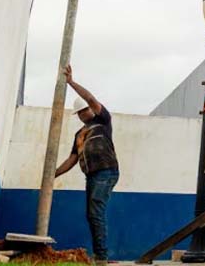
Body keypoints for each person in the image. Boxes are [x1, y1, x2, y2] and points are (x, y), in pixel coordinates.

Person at [54, 65, 120, 265]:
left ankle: (101, 258)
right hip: (91, 176)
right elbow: (72, 159)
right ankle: (100, 255)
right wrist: (52, 174)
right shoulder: (79, 134)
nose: (83, 114)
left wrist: (71, 83)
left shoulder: (103, 120)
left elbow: (91, 99)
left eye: (84, 110)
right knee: (91, 214)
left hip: (106, 172)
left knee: (96, 210)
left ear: (91, 109)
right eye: (80, 113)